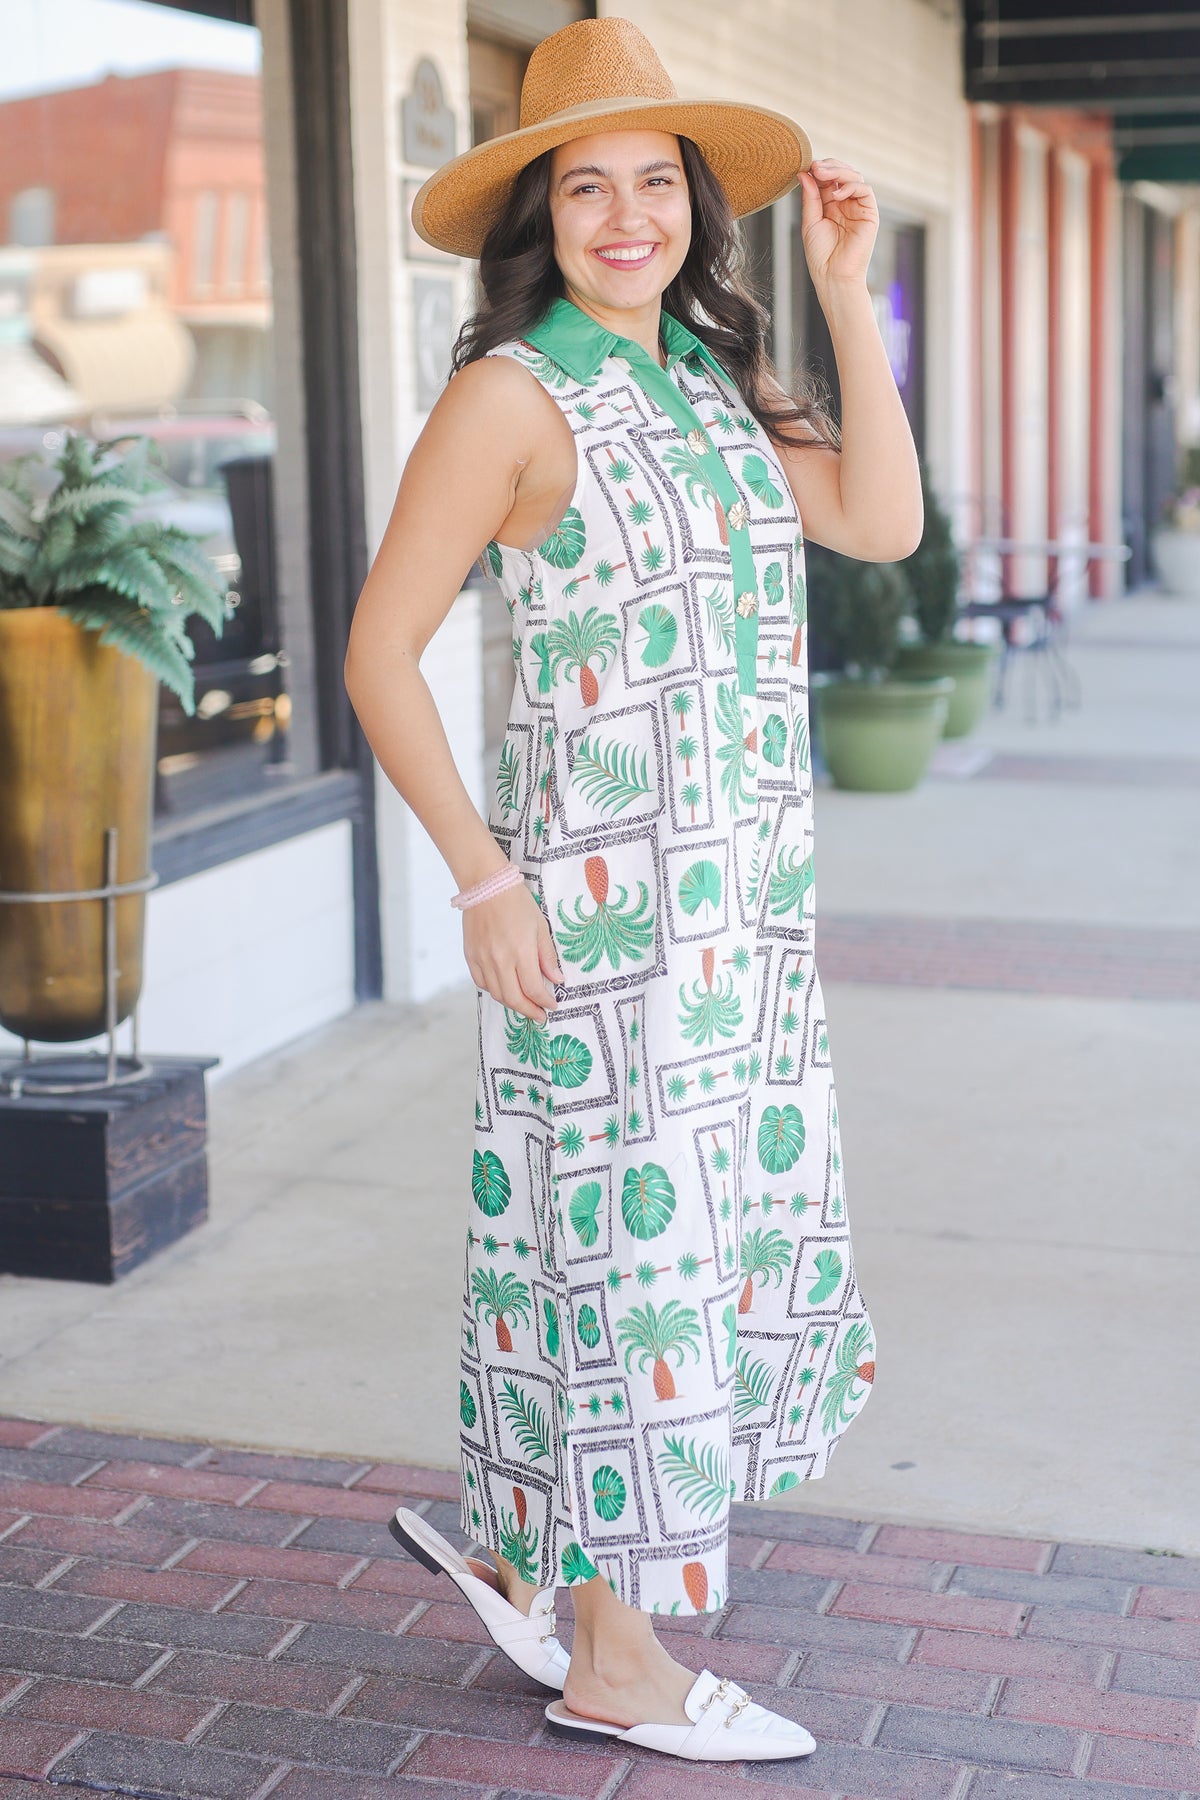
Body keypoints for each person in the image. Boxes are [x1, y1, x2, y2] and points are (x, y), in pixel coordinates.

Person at [344, 14, 921, 1765]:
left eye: (653, 184)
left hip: (740, 921)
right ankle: (616, 1661)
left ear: (692, 208)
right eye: (584, 187)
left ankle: (539, 1551)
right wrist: (481, 879)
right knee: (619, 1267)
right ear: (540, 213)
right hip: (601, 924)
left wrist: (842, 288)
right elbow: (379, 652)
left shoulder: (697, 372)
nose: (623, 217)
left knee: (666, 1254)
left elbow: (883, 522)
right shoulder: (510, 393)